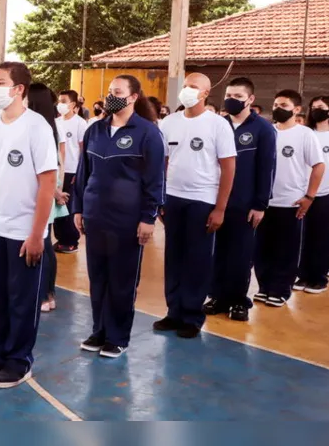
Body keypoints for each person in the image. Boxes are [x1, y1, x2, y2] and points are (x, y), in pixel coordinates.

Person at [0, 62, 56, 390]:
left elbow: (48, 182)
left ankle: (20, 361)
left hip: (24, 230)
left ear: (18, 88)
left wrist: (37, 234)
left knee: (22, 299)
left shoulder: (36, 127)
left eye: (0, 82)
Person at [73, 75, 164, 357]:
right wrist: (78, 208)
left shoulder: (147, 133)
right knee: (98, 277)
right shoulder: (95, 130)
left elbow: (155, 180)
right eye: (110, 91)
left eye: (118, 92)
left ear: (134, 97)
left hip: (127, 219)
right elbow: (82, 173)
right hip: (95, 214)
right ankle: (99, 330)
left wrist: (148, 217)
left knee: (122, 279)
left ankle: (118, 336)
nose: (111, 96)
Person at [156, 72, 236, 338]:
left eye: (193, 87)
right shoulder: (168, 122)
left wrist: (220, 208)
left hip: (203, 200)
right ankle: (174, 311)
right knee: (174, 256)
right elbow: (163, 163)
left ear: (205, 93)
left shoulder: (218, 125)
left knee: (197, 259)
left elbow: (228, 168)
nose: (187, 90)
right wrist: (161, 199)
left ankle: (192, 315)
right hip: (173, 198)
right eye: (185, 86)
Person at [205, 78, 276, 322]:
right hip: (215, 201)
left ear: (250, 100)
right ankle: (216, 296)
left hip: (245, 204)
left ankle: (238, 300)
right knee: (217, 252)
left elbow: (267, 169)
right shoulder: (218, 125)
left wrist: (260, 204)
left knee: (240, 254)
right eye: (228, 95)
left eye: (237, 96)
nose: (231, 100)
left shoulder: (263, 129)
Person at [254, 90, 325, 307]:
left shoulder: (305, 134)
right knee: (262, 248)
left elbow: (319, 166)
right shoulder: (267, 132)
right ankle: (264, 287)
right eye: (275, 104)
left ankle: (281, 289)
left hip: (290, 202)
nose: (278, 108)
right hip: (265, 202)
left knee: (286, 249)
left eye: (283, 105)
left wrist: (309, 197)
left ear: (297, 110)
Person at [26, 83, 68, 314]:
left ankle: (43, 294)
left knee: (41, 244)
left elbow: (47, 170)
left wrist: (54, 191)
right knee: (46, 244)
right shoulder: (51, 127)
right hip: (47, 192)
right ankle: (48, 293)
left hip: (42, 194)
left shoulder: (41, 129)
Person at [295, 96, 329, 294]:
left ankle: (318, 278)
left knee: (322, 236)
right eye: (312, 107)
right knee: (304, 236)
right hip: (304, 191)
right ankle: (303, 275)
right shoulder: (305, 133)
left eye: (320, 107)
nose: (315, 111)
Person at [54, 89, 87, 254]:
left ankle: (71, 240)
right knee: (58, 206)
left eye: (64, 101)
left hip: (72, 170)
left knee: (69, 205)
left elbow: (83, 150)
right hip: (59, 171)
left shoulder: (80, 123)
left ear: (73, 104)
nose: (60, 104)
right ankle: (60, 238)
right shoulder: (55, 121)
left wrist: (79, 173)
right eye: (59, 100)